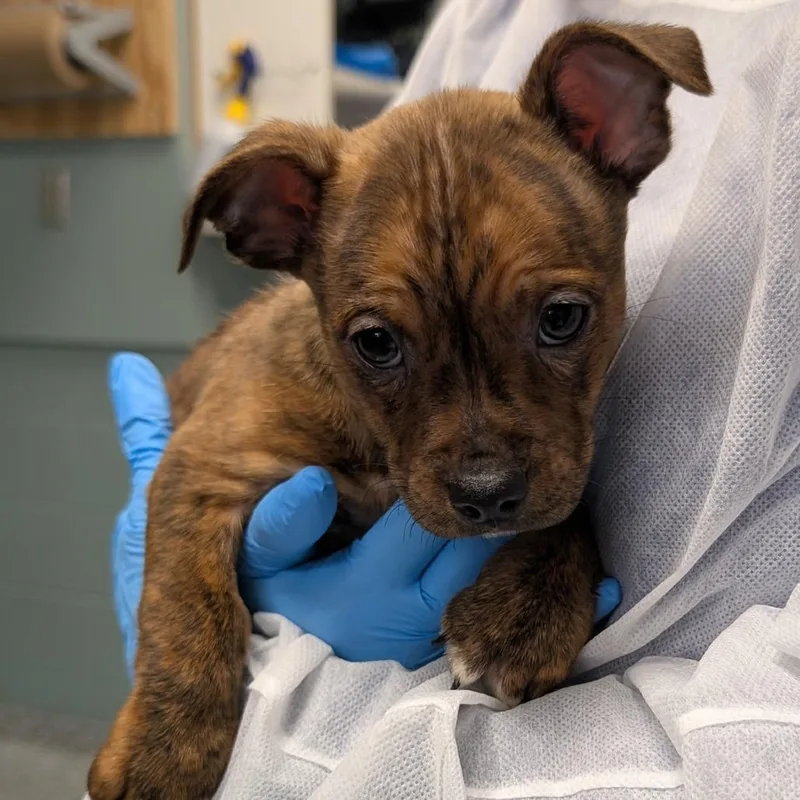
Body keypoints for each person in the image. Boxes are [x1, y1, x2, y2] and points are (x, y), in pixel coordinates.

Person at [106, 1, 800, 798]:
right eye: (380, 344)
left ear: (616, 132)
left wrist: (557, 550)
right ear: (279, 221)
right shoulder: (283, 385)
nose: (483, 470)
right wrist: (184, 702)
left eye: (558, 320)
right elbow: (198, 485)